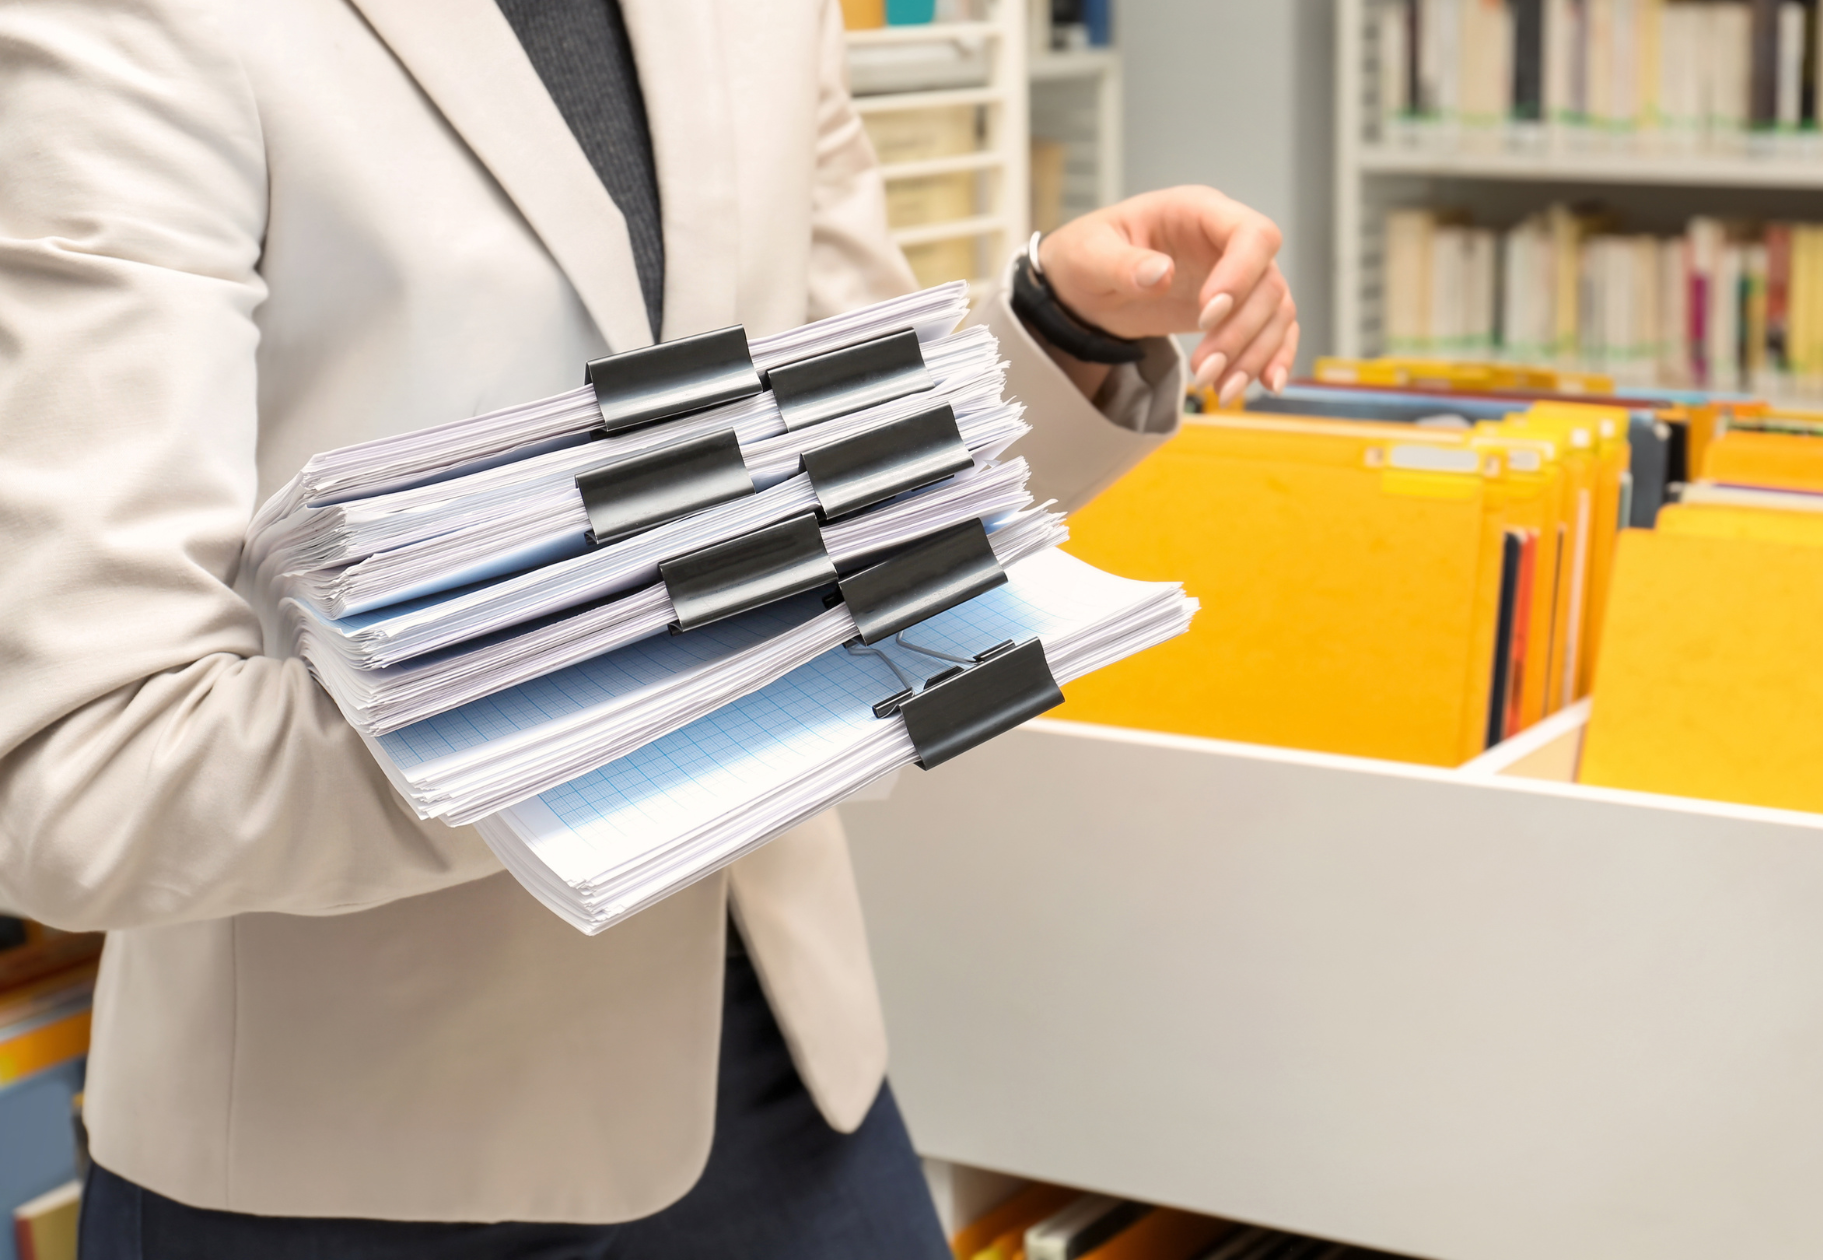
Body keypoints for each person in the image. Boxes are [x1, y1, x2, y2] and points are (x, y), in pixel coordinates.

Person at [0, 0, 1298, 1254]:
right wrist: (642, 704)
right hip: (360, 1158)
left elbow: (855, 472)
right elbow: (90, 772)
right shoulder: (134, 20)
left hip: (787, 1058)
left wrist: (1059, 335)